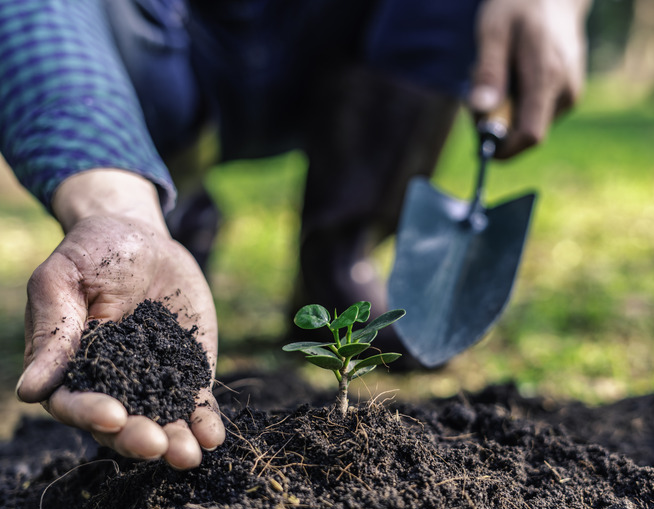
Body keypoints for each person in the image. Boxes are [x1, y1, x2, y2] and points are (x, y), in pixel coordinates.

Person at [2, 0, 591, 470]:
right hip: (161, 51)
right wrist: (119, 208)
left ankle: (340, 260)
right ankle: (161, 196)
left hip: (337, 37)